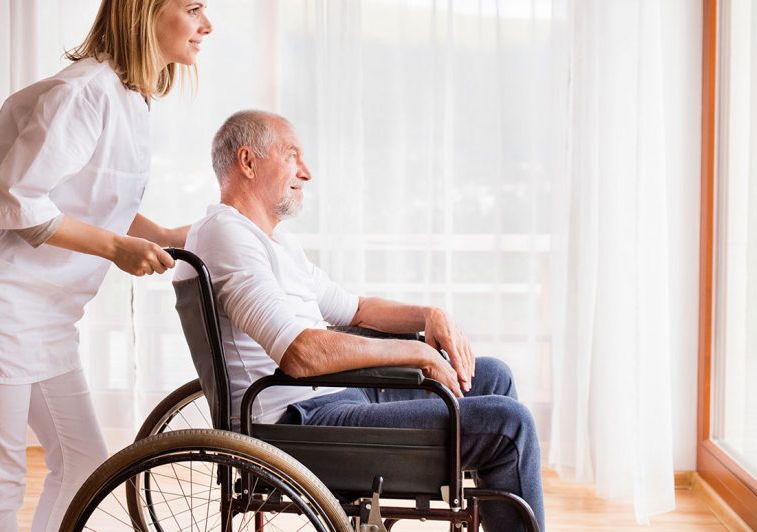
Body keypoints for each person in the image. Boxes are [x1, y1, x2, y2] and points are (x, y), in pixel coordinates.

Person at [0, 1, 212, 530]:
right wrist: (116, 249)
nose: (207, 25)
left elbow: (91, 191)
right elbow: (17, 201)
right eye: (193, 8)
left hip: (45, 312)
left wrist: (158, 235)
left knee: (84, 464)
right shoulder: (81, 93)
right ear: (144, 13)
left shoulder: (133, 98)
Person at [175, 110, 545, 532]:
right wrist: (417, 351)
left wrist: (430, 316)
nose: (306, 172)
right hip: (298, 424)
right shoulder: (226, 235)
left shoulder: (275, 243)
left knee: (492, 376)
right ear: (247, 161)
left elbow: (356, 308)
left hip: (334, 398)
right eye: (292, 155)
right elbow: (300, 353)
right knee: (509, 426)